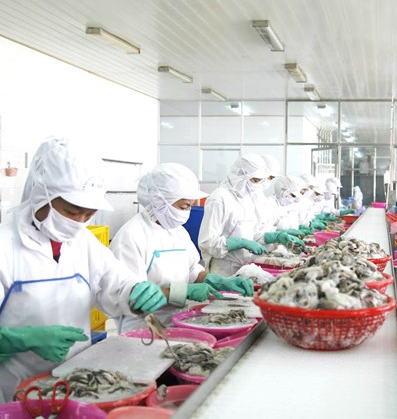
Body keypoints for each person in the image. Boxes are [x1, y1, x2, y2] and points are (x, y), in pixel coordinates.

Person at [0, 138, 165, 402]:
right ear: (42, 195)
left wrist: (136, 291)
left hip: (78, 383)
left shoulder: (83, 241)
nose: (79, 222)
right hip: (15, 392)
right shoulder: (6, 246)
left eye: (88, 215)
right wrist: (18, 339)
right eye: (72, 212)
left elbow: (116, 283)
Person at [110, 163, 253, 333]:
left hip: (179, 320)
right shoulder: (131, 237)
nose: (188, 212)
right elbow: (131, 297)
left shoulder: (177, 231)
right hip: (144, 329)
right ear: (159, 201)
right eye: (184, 206)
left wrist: (218, 281)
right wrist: (180, 292)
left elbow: (192, 270)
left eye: (191, 206)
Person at [199, 154, 301, 276]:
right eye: (255, 180)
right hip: (224, 269)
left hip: (246, 266)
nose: (258, 185)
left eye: (260, 181)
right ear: (240, 176)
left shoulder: (246, 199)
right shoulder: (219, 199)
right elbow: (207, 242)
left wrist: (276, 236)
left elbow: (254, 234)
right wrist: (239, 243)